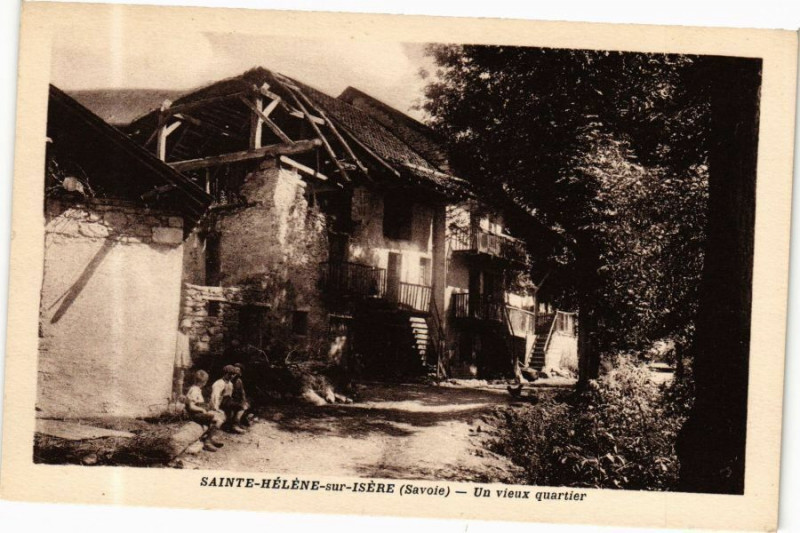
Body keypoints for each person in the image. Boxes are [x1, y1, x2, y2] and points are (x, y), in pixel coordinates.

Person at [184, 370, 225, 452]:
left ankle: (210, 438)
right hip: (195, 415)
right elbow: (191, 406)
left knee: (216, 415)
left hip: (198, 413)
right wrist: (202, 409)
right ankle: (207, 442)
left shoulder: (196, 389)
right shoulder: (194, 390)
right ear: (204, 382)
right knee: (218, 420)